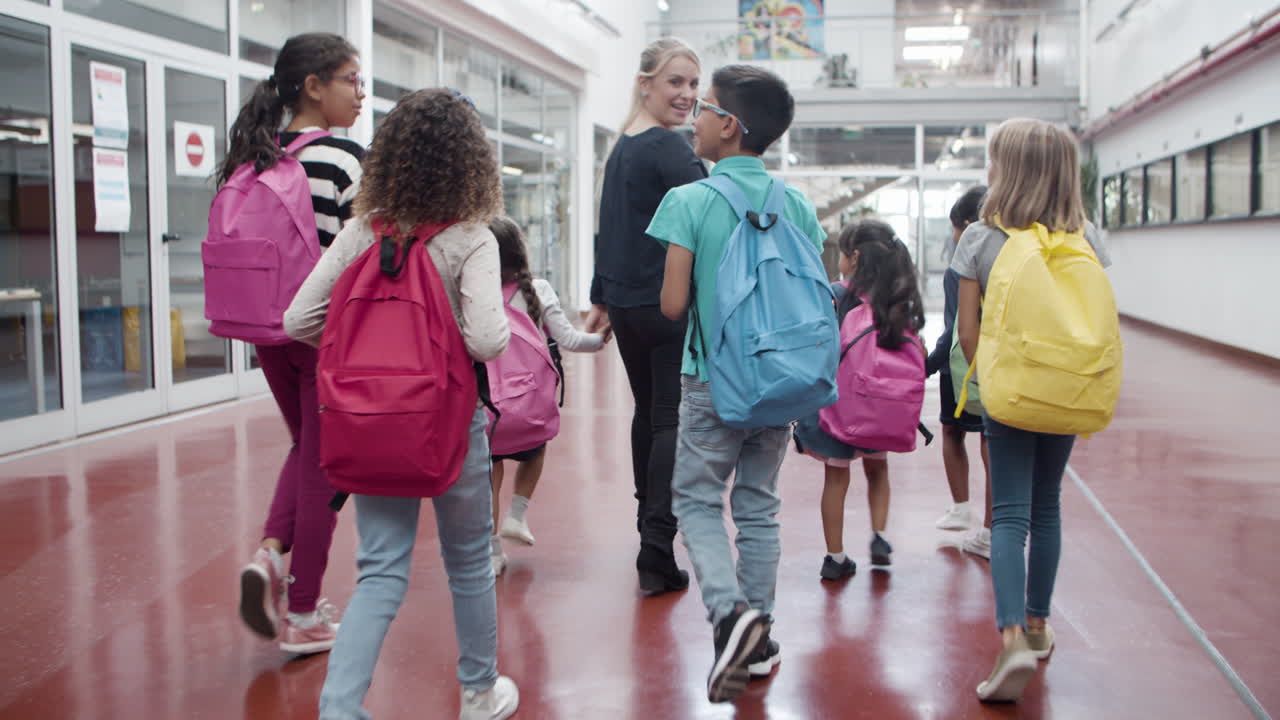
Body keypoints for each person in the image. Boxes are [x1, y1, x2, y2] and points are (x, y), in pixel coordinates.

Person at [283, 89, 518, 720]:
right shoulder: (473, 237)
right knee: (468, 561)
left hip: (372, 423)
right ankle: (477, 692)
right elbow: (491, 338)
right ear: (472, 159)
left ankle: (339, 708)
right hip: (448, 424)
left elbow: (299, 318)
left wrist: (358, 354)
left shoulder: (363, 230)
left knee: (380, 572)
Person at [650, 64, 823, 704]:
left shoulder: (689, 201)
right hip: (778, 381)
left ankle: (728, 616)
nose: (693, 114)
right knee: (758, 505)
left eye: (704, 106)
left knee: (695, 499)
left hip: (710, 379)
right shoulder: (797, 203)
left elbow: (672, 305)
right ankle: (762, 641)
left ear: (728, 125)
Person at [953, 118, 1111, 702]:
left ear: (1007, 170)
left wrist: (994, 381)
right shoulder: (1089, 236)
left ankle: (1012, 634)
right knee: (1048, 505)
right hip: (1067, 389)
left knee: (1010, 514)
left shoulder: (981, 238)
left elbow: (966, 331)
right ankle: (1041, 624)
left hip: (1010, 392)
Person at [224, 32, 366, 654]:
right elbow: (366, 253)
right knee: (324, 465)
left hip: (265, 331)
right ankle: (304, 611)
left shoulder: (251, 156)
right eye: (351, 80)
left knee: (307, 447)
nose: (361, 94)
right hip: (325, 333)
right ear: (313, 87)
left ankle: (269, 557)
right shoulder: (341, 158)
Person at [588, 37, 708, 595]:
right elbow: (713, 216)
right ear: (645, 84)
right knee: (670, 420)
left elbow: (607, 224)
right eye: (675, 82)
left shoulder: (624, 145)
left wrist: (600, 294)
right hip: (664, 302)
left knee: (649, 415)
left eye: (692, 84)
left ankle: (648, 531)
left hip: (628, 303)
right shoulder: (667, 147)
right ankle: (657, 546)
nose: (687, 94)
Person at [793, 221, 925, 580]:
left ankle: (835, 558)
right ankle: (879, 536)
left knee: (836, 480)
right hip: (881, 408)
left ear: (853, 257)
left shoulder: (838, 295)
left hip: (841, 405)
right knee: (877, 470)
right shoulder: (898, 296)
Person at [488, 215, 607, 575]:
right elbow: (569, 340)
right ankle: (517, 516)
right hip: (529, 406)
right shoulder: (538, 290)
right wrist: (601, 339)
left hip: (488, 405)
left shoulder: (477, 292)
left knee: (489, 470)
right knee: (535, 450)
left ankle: (492, 552)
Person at [927, 186, 993, 558]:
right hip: (995, 359)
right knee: (984, 439)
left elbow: (956, 328)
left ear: (967, 226)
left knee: (966, 435)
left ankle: (974, 518)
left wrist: (926, 366)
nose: (953, 237)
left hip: (961, 364)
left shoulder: (962, 266)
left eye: (955, 228)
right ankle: (969, 513)